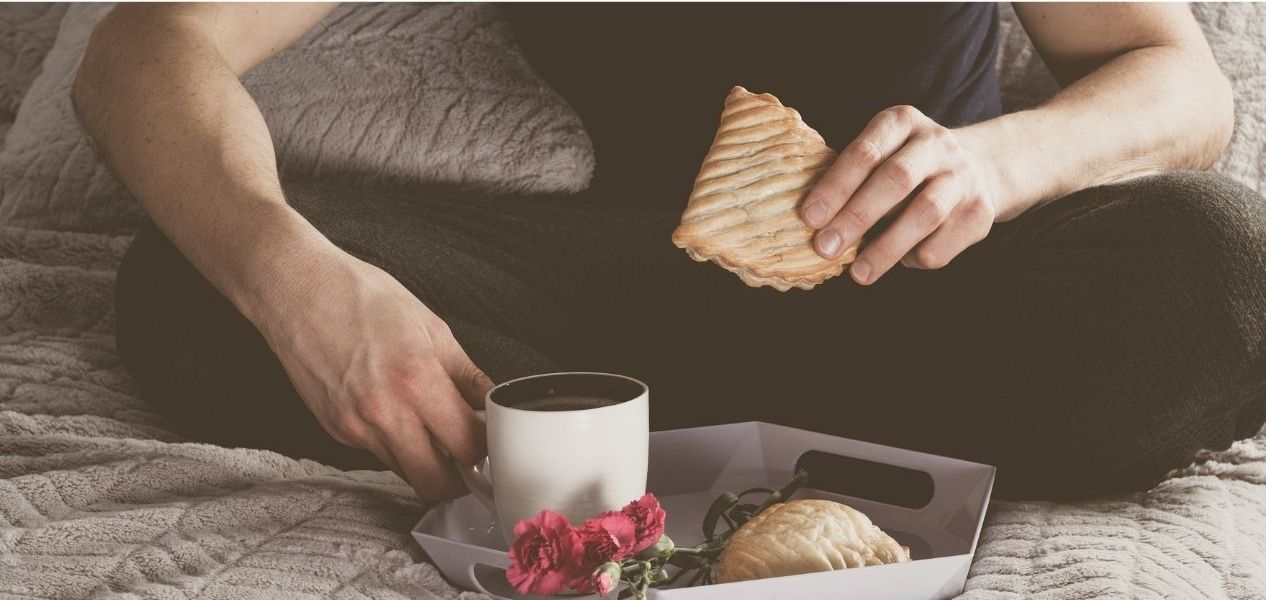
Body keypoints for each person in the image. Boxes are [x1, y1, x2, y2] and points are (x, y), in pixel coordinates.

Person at [73, 3, 1266, 502]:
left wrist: (1000, 164)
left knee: (1227, 264)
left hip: (939, 289)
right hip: (618, 299)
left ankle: (598, 465)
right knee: (197, 281)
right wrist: (305, 288)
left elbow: (1179, 82)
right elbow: (145, 47)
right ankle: (766, 464)